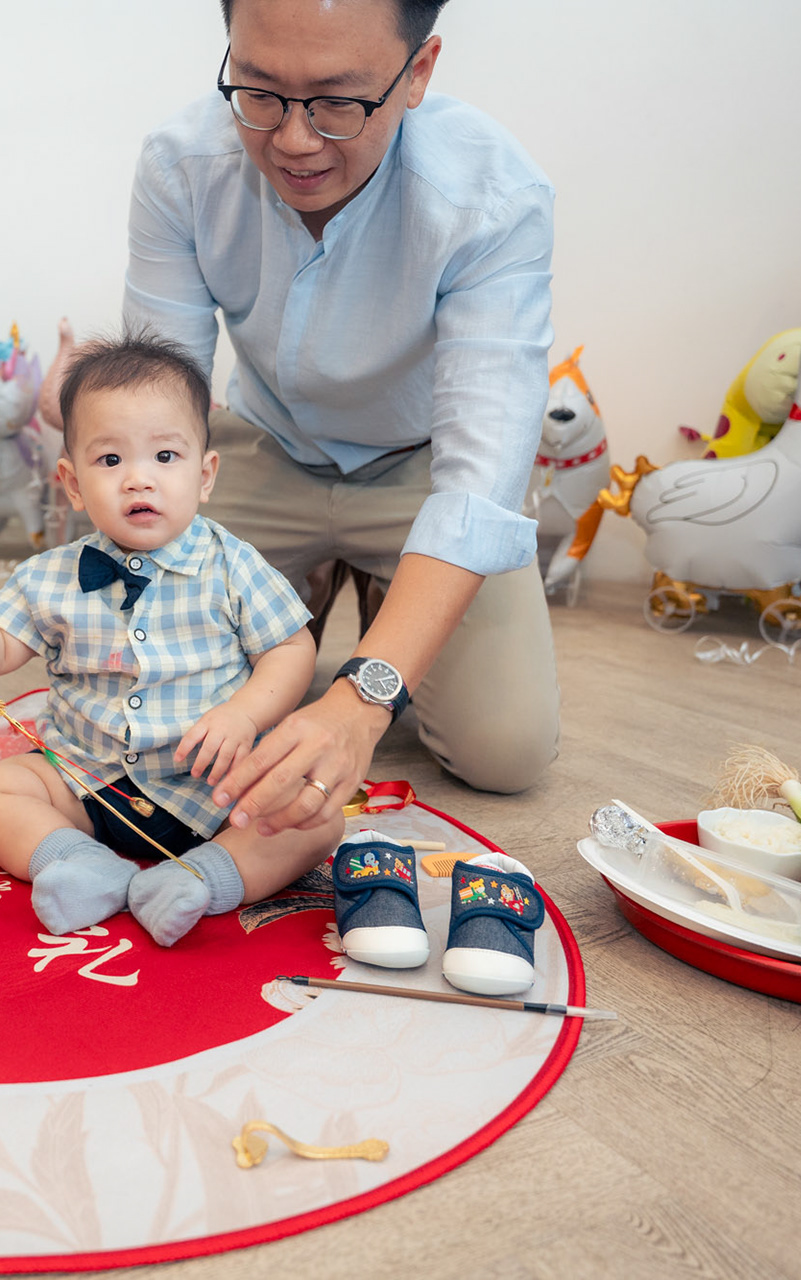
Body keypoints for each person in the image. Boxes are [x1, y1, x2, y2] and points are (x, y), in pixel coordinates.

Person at [42, 0, 560, 838]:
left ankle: (368, 588)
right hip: (261, 449)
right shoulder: (182, 163)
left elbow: (480, 481)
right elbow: (159, 407)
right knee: (156, 699)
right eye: (259, 92)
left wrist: (361, 700)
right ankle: (309, 585)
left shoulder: (493, 196)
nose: (293, 139)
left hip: (421, 472)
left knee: (506, 750)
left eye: (337, 102)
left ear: (418, 72)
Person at [0, 334, 339, 947]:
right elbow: (0, 648)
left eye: (165, 456)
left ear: (205, 474)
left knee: (314, 818)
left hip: (216, 790)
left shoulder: (233, 565)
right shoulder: (48, 575)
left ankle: (202, 877)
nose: (138, 480)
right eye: (110, 461)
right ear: (73, 484)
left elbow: (289, 648)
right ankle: (80, 862)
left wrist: (244, 715)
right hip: (85, 780)